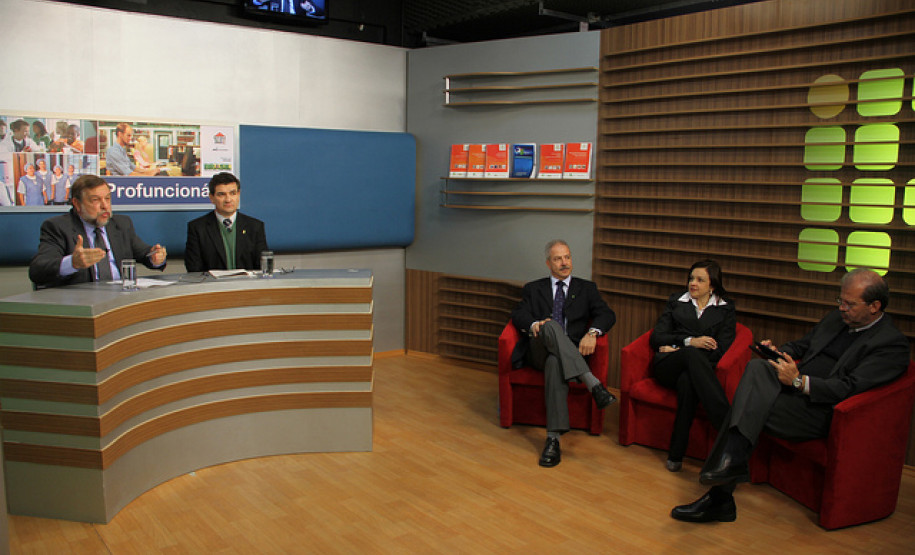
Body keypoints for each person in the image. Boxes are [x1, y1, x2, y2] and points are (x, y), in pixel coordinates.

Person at [670, 268, 909, 523]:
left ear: (874, 306)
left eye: (850, 304)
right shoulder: (836, 319)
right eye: (840, 300)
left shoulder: (890, 344)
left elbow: (849, 388)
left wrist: (799, 382)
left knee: (747, 406)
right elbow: (801, 346)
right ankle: (726, 477)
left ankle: (721, 492)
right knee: (758, 367)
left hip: (822, 411)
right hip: (792, 392)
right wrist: (777, 352)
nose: (842, 308)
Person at [510, 239, 617, 467]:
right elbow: (518, 314)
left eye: (567, 257)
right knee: (550, 326)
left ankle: (552, 440)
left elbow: (607, 314)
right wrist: (534, 325)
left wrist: (592, 333)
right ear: (548, 263)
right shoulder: (533, 288)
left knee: (554, 362)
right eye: (558, 259)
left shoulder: (586, 289)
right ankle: (593, 384)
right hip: (539, 349)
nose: (564, 262)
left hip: (569, 353)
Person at [650, 260, 736, 472]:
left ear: (712, 285)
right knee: (691, 355)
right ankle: (728, 429)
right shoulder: (676, 301)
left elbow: (722, 349)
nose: (693, 283)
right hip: (668, 366)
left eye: (700, 280)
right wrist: (689, 343)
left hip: (696, 369)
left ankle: (676, 455)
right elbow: (657, 338)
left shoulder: (725, 308)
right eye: (691, 278)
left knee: (688, 382)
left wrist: (680, 348)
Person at [28, 174, 168, 288]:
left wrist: (155, 257)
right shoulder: (58, 227)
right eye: (96, 200)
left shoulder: (121, 224)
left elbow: (144, 253)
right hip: (82, 303)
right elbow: (38, 270)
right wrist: (72, 262)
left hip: (120, 299)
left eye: (107, 198)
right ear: (77, 204)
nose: (105, 206)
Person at [185, 172, 268, 272]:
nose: (228, 199)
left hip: (247, 282)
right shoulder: (198, 228)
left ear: (238, 194)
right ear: (212, 198)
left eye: (232, 193)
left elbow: (264, 267)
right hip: (212, 282)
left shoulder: (255, 227)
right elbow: (194, 269)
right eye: (222, 194)